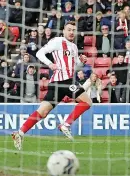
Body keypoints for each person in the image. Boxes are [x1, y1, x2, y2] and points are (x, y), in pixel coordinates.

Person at [12, 22, 93, 150]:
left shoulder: (74, 47)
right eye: (69, 30)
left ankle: (20, 132)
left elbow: (74, 66)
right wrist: (50, 64)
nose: (72, 32)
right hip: (63, 81)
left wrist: (81, 62)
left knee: (42, 112)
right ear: (63, 31)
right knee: (87, 102)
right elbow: (39, 53)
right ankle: (66, 124)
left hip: (62, 82)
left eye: (73, 30)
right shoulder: (58, 41)